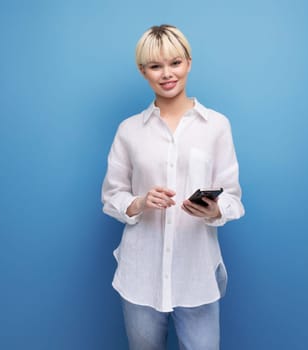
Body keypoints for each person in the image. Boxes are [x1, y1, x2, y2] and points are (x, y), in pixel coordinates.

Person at [101, 24, 245, 350]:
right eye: (155, 66)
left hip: (197, 274)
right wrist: (140, 202)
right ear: (143, 71)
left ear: (189, 63)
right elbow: (112, 196)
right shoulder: (129, 130)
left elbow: (234, 197)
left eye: (175, 63)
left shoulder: (217, 126)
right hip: (140, 276)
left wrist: (215, 208)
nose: (167, 74)